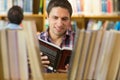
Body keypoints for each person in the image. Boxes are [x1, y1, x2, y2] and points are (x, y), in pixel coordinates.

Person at [38, 0, 75, 72]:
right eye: (55, 17)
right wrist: (34, 65)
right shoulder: (35, 41)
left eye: (64, 19)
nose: (59, 24)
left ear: (70, 20)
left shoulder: (80, 42)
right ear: (47, 17)